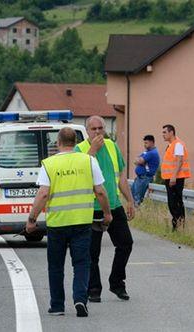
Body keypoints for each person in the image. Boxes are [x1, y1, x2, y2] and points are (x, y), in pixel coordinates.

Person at [26, 127, 112, 318]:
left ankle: (57, 306)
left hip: (57, 224)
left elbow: (43, 194)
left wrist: (32, 219)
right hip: (82, 222)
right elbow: (100, 191)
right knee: (81, 263)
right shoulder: (88, 160)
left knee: (56, 265)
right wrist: (107, 213)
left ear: (58, 143)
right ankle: (80, 299)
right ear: (75, 142)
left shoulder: (49, 164)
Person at [75, 116, 135, 302]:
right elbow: (82, 173)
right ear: (87, 131)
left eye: (101, 128)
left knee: (125, 243)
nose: (98, 132)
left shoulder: (111, 145)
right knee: (92, 252)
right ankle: (93, 289)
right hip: (92, 207)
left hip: (114, 204)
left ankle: (117, 283)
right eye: (94, 129)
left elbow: (121, 176)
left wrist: (130, 201)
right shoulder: (80, 149)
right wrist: (92, 150)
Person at [161, 124, 190, 231]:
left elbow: (179, 161)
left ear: (171, 132)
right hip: (171, 178)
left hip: (176, 179)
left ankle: (178, 226)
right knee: (172, 203)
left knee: (175, 203)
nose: (163, 135)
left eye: (164, 132)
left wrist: (173, 177)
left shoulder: (177, 144)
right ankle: (177, 225)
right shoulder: (171, 144)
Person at [131, 135, 160, 206]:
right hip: (139, 178)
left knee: (137, 198)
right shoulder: (146, 152)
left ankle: (136, 213)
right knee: (132, 196)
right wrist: (140, 161)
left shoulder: (152, 153)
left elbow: (140, 161)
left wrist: (141, 161)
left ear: (152, 142)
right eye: (144, 143)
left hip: (144, 178)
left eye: (146, 143)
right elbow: (135, 160)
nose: (144, 145)